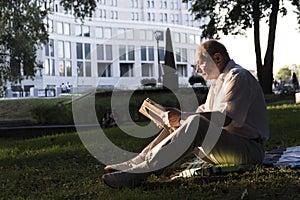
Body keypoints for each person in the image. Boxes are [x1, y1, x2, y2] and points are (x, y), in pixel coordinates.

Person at [102, 40, 269, 188]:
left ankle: (142, 171)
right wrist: (172, 118)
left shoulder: (238, 77)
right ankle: (136, 163)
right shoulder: (218, 83)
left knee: (193, 122)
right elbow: (202, 115)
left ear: (217, 58)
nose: (197, 70)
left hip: (247, 150)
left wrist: (182, 117)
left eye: (200, 63)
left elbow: (225, 118)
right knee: (179, 123)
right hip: (224, 146)